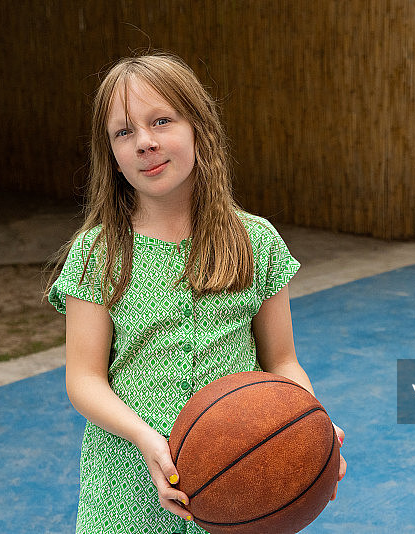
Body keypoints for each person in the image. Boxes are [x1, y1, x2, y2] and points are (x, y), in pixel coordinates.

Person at [46, 52, 346, 534]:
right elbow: (84, 380)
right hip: (126, 484)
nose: (146, 142)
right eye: (124, 132)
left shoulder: (254, 241)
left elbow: (283, 362)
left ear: (198, 129)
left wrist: (312, 429)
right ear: (111, 155)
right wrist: (146, 440)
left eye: (161, 120)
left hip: (242, 482)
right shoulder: (97, 253)